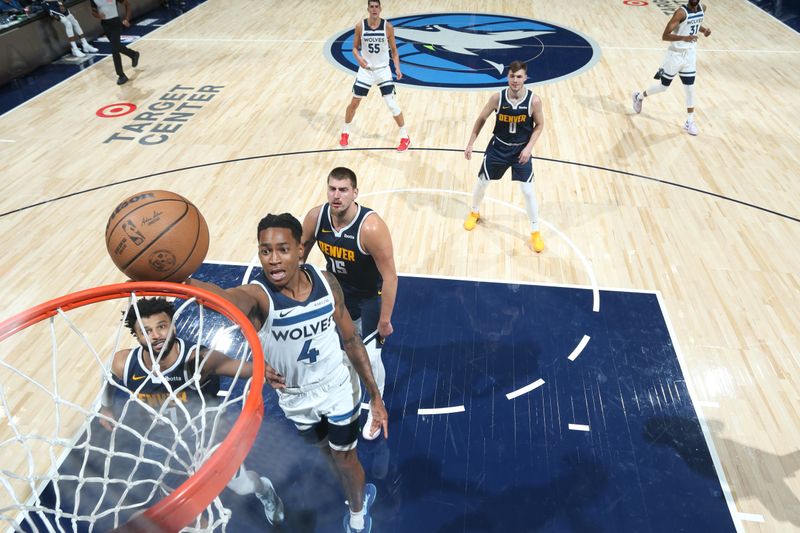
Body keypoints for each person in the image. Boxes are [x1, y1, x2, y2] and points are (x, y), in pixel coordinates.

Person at [186, 213, 387, 533]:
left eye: (282, 249)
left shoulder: (325, 281)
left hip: (337, 386)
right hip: (293, 396)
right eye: (266, 251)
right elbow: (221, 299)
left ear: (299, 250)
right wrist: (176, 277)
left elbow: (350, 338)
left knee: (346, 458)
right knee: (324, 451)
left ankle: (358, 513)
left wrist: (375, 397)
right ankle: (349, 483)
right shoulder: (257, 296)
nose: (274, 259)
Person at [99, 297, 284, 526]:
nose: (156, 335)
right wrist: (106, 407)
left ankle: (263, 489)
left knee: (243, 486)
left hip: (209, 438)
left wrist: (268, 371)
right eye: (146, 331)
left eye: (161, 326)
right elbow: (107, 377)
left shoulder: (197, 361)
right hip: (163, 445)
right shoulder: (124, 363)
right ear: (137, 337)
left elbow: (241, 367)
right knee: (184, 511)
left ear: (173, 326)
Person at [301, 166, 398, 441]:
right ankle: (345, 398)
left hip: (369, 298)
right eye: (332, 189)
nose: (336, 195)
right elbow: (299, 258)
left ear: (355, 193)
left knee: (372, 357)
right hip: (336, 296)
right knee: (339, 354)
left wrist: (385, 320)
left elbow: (391, 276)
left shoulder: (371, 227)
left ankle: (375, 408)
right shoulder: (316, 217)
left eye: (343, 190)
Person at [463, 60, 545, 253]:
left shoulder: (534, 101)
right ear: (507, 76)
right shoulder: (496, 98)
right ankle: (474, 211)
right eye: (512, 76)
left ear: (525, 78)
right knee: (482, 181)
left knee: (528, 191)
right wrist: (470, 142)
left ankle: (535, 231)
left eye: (519, 77)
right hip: (498, 148)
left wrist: (529, 148)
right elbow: (481, 119)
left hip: (520, 151)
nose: (515, 80)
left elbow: (540, 125)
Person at [631, 0, 711, 136]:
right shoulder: (680, 12)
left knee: (690, 89)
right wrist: (683, 38)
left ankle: (690, 121)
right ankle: (639, 96)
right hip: (675, 55)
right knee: (663, 87)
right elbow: (665, 36)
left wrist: (704, 30)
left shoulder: (702, 8)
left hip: (690, 55)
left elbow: (695, 25)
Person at [340, 0, 410, 152]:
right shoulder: (360, 26)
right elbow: (353, 48)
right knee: (354, 103)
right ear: (368, 9)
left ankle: (405, 137)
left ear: (380, 9)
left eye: (376, 7)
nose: (374, 9)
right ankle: (345, 132)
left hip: (383, 70)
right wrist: (359, 59)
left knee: (391, 104)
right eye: (371, 7)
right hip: (366, 71)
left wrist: (397, 68)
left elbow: (394, 50)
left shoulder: (388, 27)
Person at [90, 0, 140, 85]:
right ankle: (133, 55)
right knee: (116, 46)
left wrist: (127, 19)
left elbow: (127, 5)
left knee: (114, 49)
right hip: (105, 25)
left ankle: (121, 75)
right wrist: (99, 16)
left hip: (116, 23)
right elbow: (93, 12)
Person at [28, 0, 98, 58]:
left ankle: (85, 44)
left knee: (75, 22)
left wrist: (60, 3)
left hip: (56, 2)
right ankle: (75, 49)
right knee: (68, 24)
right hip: (48, 5)